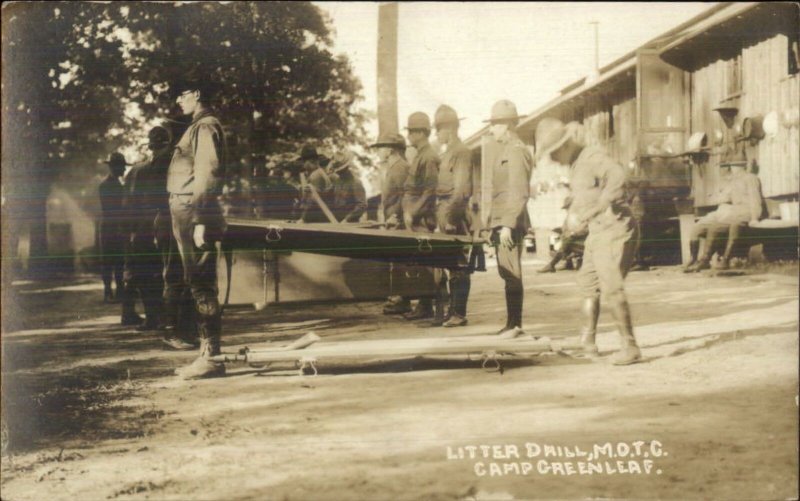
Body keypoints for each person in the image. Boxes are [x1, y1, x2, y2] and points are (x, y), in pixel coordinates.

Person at [536, 117, 641, 365]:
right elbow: (586, 194)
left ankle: (630, 346)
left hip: (615, 227)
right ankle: (588, 342)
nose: (553, 160)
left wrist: (601, 206)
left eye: (553, 154)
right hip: (597, 231)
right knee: (588, 284)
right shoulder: (576, 165)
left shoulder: (592, 157)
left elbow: (617, 176)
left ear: (564, 146)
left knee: (611, 286)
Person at [167, 78, 228, 379]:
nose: (178, 100)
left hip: (194, 212)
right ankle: (207, 353)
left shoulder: (205, 126)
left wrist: (202, 219)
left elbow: (207, 172)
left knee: (202, 283)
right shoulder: (196, 126)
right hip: (188, 212)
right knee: (196, 282)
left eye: (182, 94)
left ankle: (212, 357)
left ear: (198, 93)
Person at [482, 100, 533, 338]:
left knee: (512, 273)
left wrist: (507, 225)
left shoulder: (516, 150)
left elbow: (519, 191)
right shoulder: (506, 150)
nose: (492, 130)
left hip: (509, 223)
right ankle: (512, 324)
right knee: (506, 272)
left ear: (508, 125)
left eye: (495, 124)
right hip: (502, 221)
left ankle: (516, 325)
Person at [121, 126, 172, 332]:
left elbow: (128, 204)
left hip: (143, 226)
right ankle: (163, 318)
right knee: (161, 272)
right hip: (160, 223)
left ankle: (153, 317)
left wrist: (130, 230)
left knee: (144, 273)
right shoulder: (169, 165)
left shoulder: (137, 170)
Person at [684, 153, 765, 272]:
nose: (733, 169)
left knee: (725, 226)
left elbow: (755, 200)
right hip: (734, 211)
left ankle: (722, 260)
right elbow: (726, 198)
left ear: (742, 166)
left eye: (735, 166)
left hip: (746, 211)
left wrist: (754, 218)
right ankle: (702, 260)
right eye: (733, 166)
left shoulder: (750, 178)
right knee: (710, 227)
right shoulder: (734, 180)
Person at [433, 104, 474, 327]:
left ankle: (459, 313)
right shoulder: (449, 152)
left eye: (438, 129)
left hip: (453, 212)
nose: (436, 134)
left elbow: (461, 190)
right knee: (451, 263)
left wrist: (450, 218)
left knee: (459, 264)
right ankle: (454, 311)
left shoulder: (460, 152)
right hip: (445, 210)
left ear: (448, 129)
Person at [402, 112, 440, 321]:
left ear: (419, 133)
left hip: (422, 220)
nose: (408, 136)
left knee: (426, 263)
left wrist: (413, 212)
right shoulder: (420, 155)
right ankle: (425, 305)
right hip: (416, 219)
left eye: (411, 132)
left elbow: (429, 190)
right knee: (419, 261)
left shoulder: (428, 157)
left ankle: (427, 306)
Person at [370, 132, 412, 315]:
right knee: (396, 262)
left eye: (381, 147)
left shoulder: (400, 167)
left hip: (398, 222)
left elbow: (405, 195)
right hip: (392, 221)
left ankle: (402, 300)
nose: (378, 151)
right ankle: (400, 299)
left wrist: (395, 216)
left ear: (391, 149)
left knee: (400, 263)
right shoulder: (393, 167)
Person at [98, 153, 135, 314]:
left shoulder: (118, 185)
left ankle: (118, 290)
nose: (123, 169)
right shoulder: (106, 185)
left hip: (116, 226)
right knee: (108, 260)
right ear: (114, 167)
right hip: (110, 226)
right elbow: (111, 209)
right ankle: (108, 291)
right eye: (121, 166)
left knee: (119, 260)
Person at [537, 195, 587, 273]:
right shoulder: (570, 217)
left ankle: (552, 264)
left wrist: (573, 233)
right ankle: (566, 262)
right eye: (566, 208)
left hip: (584, 243)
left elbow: (585, 230)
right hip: (576, 241)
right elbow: (565, 229)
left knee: (567, 241)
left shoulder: (582, 215)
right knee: (564, 239)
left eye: (568, 207)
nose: (567, 210)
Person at [297, 145, 334, 223]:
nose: (303, 165)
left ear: (309, 161)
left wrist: (302, 219)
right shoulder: (319, 172)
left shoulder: (316, 175)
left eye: (303, 162)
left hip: (319, 218)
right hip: (322, 216)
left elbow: (310, 201)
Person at [330, 150, 367, 223]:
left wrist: (347, 219)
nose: (340, 173)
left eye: (342, 171)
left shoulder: (356, 183)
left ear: (346, 168)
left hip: (351, 222)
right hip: (336, 221)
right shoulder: (337, 181)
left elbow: (362, 205)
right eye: (338, 171)